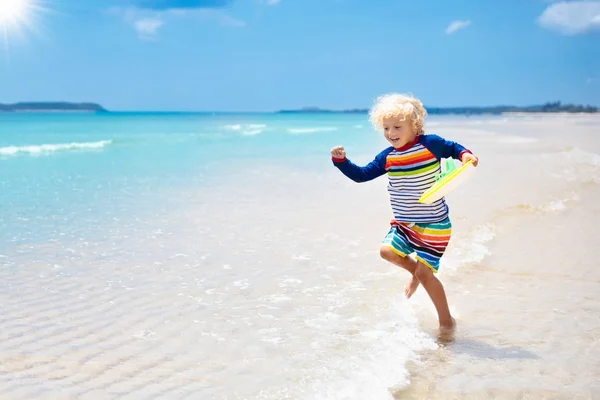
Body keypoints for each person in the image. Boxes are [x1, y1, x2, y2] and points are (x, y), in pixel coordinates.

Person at [330, 93, 479, 333]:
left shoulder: (430, 144)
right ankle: (416, 273)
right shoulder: (387, 157)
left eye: (397, 127)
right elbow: (361, 175)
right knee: (386, 251)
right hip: (404, 223)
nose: (391, 133)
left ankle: (446, 322)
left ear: (414, 126)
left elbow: (454, 148)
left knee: (427, 275)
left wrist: (466, 155)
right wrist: (342, 162)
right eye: (386, 128)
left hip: (434, 224)